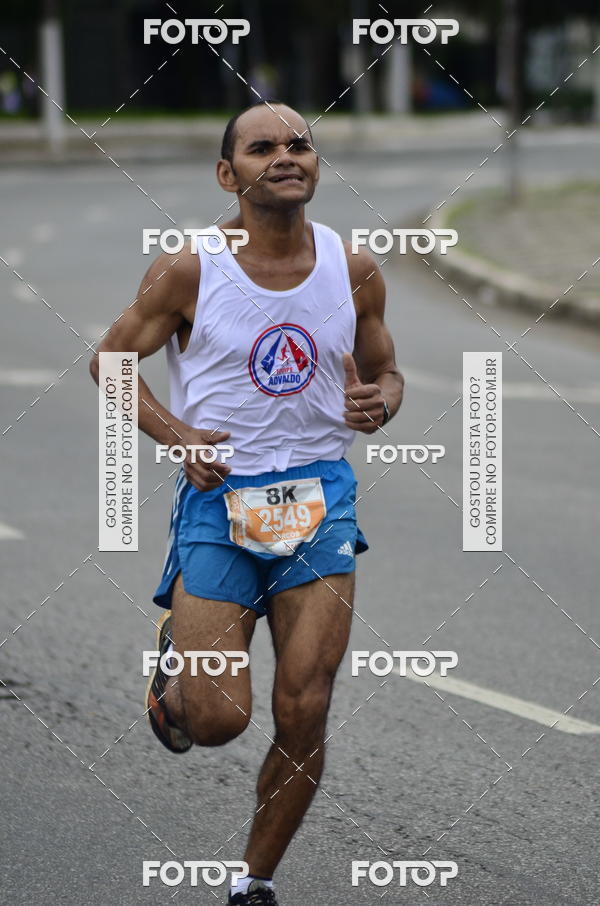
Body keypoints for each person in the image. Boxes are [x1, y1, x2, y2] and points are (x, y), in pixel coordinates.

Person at [90, 100, 403, 905]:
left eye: (300, 143)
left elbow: (385, 369)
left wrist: (381, 402)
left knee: (306, 707)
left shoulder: (354, 266)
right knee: (221, 718)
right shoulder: (189, 269)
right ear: (229, 176)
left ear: (316, 165)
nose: (286, 155)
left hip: (320, 500)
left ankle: (252, 883)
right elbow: (112, 362)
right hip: (219, 500)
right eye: (262, 148)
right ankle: (177, 679)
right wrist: (179, 435)